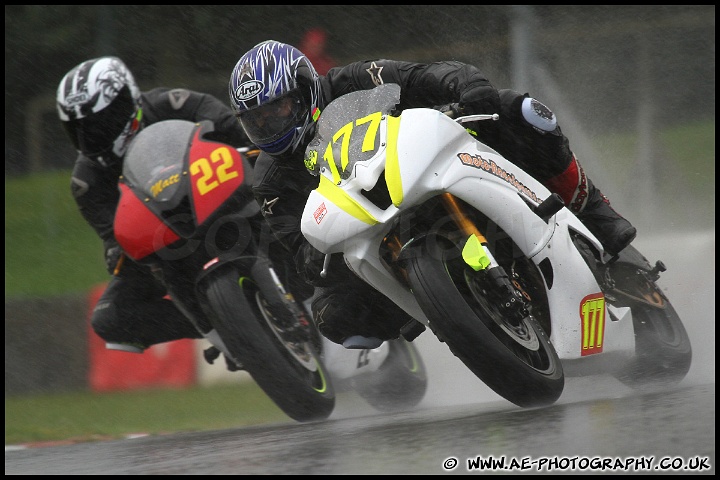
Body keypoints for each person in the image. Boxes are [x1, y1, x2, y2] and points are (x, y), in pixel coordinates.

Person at [227, 40, 637, 349]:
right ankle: (444, 313)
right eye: (256, 120)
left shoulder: (350, 80)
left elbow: (420, 76)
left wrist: (468, 86)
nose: (268, 125)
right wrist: (314, 256)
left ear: (304, 90)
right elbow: (296, 251)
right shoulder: (270, 181)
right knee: (332, 315)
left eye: (276, 110)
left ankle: (596, 211)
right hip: (368, 232)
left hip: (421, 166)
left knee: (523, 111)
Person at [57, 56, 250, 354]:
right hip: (167, 247)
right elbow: (114, 238)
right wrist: (115, 251)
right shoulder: (86, 184)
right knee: (109, 317)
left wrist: (249, 146)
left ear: (128, 99)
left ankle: (312, 259)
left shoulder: (169, 104)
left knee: (272, 175)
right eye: (81, 130)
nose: (93, 135)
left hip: (219, 198)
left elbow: (225, 122)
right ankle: (217, 327)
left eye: (102, 121)